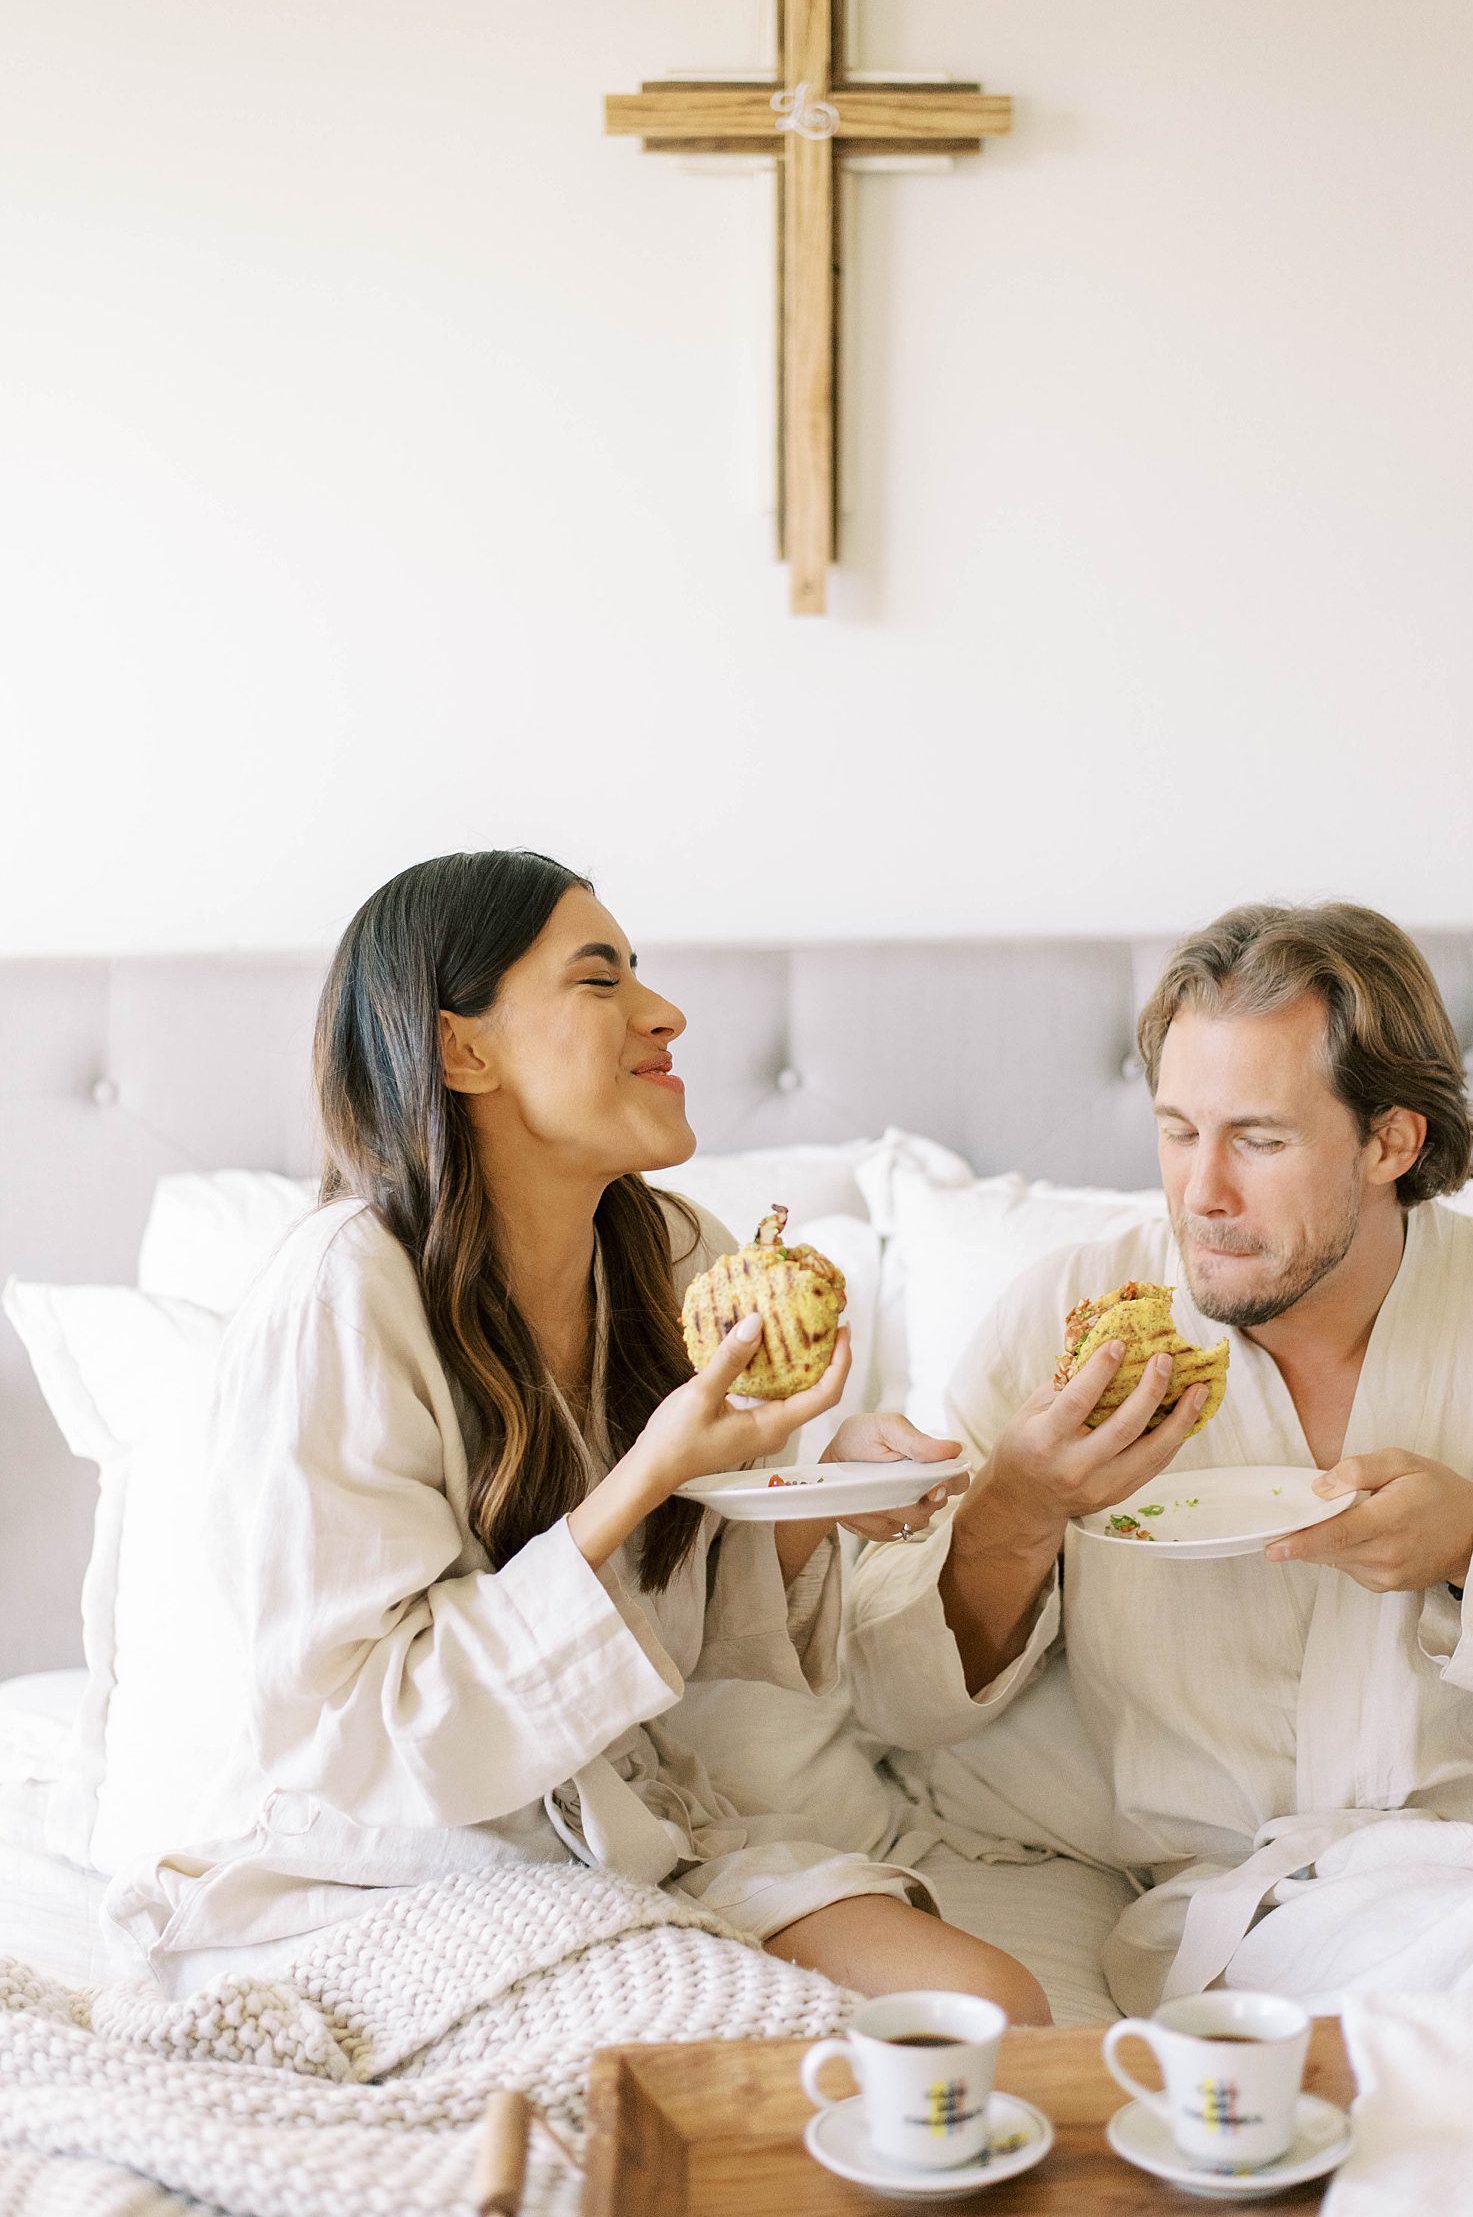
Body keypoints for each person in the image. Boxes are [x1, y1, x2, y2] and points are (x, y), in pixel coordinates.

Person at [105, 849, 1047, 2019]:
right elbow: (364, 1724)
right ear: (464, 1049)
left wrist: (814, 1495)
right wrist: (647, 1477)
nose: (667, 1014)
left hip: (619, 1820)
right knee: (709, 2056)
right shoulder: (343, 1289)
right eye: (601, 983)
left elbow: (690, 1613)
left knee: (983, 2009)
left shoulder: (669, 1254)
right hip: (385, 1858)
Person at [845, 902, 1473, 2012]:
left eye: (1259, 1138)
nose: (1203, 1193)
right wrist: (1019, 1505)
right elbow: (897, 1707)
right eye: (1178, 1130)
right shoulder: (1071, 1316)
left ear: (1392, 1141)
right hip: (1231, 1908)